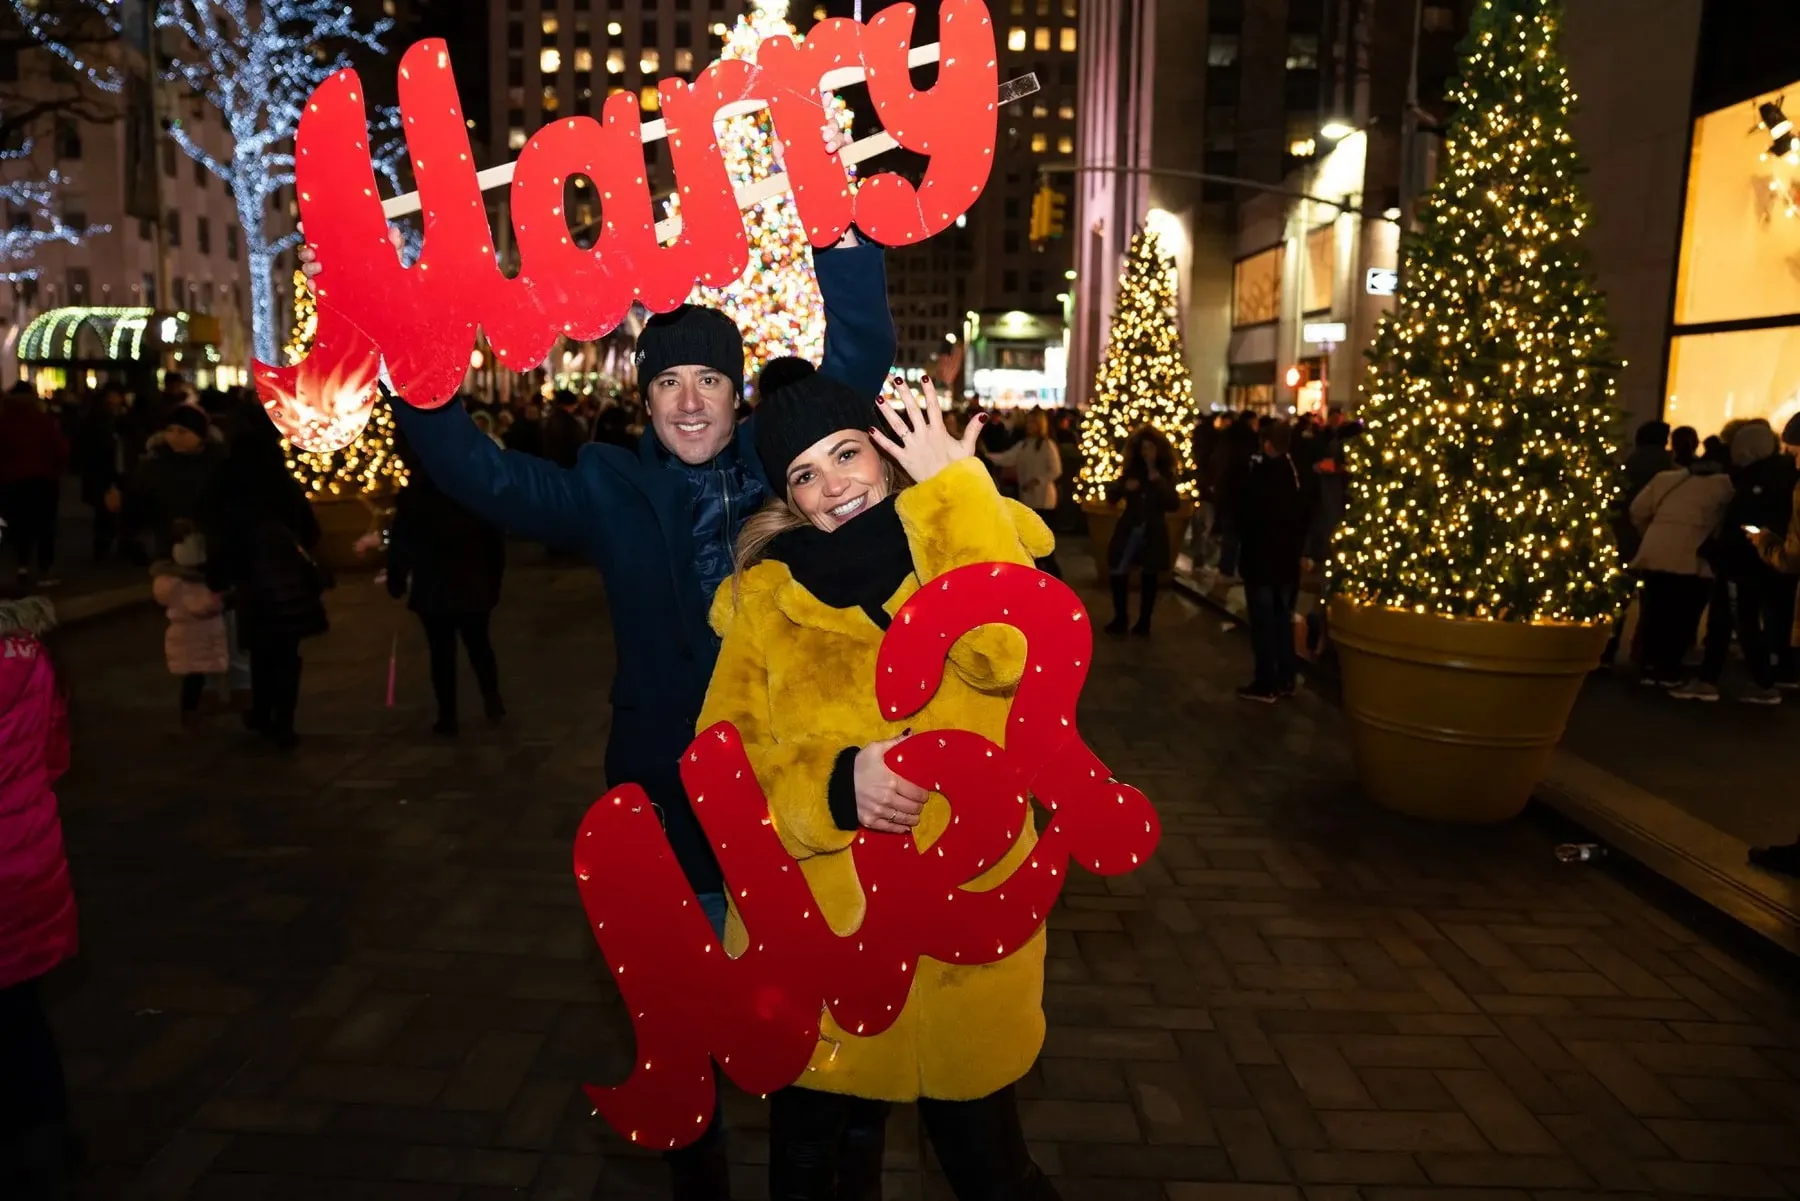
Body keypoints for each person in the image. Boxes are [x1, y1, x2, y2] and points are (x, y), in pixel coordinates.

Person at [298, 137, 896, 1199]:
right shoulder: (606, 485)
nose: (694, 401)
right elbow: (483, 474)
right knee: (688, 1038)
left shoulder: (781, 470)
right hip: (668, 800)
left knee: (823, 1035)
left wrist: (843, 242)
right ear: (645, 396)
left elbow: (856, 367)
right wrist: (415, 375)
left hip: (801, 797)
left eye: (713, 378)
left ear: (738, 391)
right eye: (671, 382)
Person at [703, 373, 1059, 1201]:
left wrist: (952, 493)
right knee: (808, 1172)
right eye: (803, 473)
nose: (833, 485)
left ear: (883, 453)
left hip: (966, 923)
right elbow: (721, 761)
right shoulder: (763, 600)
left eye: (845, 453)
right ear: (786, 497)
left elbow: (1007, 657)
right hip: (821, 941)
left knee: (992, 1169)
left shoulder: (976, 528)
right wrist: (835, 784)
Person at [0, 593, 75, 1201]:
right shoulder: (30, 653)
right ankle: (49, 1140)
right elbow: (54, 756)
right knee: (22, 1013)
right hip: (28, 865)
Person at [200, 407, 329, 751]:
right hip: (286, 579)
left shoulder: (227, 479)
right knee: (287, 651)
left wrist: (218, 575)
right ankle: (283, 721)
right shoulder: (280, 480)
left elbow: (217, 531)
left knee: (260, 647)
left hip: (250, 579)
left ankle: (263, 711)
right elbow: (309, 529)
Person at [384, 453, 507, 737]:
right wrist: (494, 579)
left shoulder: (416, 496)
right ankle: (491, 698)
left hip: (434, 583)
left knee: (442, 651)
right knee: (478, 645)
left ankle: (448, 713)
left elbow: (403, 541)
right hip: (469, 579)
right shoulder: (470, 492)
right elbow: (493, 540)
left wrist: (397, 576)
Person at [1628, 444, 1733, 688]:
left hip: (1656, 551)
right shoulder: (1726, 487)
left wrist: (1652, 533)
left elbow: (1637, 510)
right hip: (1693, 556)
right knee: (1683, 615)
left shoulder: (1665, 479)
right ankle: (1669, 668)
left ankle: (1648, 665)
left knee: (1654, 611)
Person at [1236, 420, 1307, 702]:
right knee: (1280, 621)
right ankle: (1285, 677)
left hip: (1263, 560)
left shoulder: (1264, 474)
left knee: (1264, 623)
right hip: (1285, 562)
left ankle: (1266, 681)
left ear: (1267, 444)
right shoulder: (1293, 473)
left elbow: (1250, 516)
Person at [110, 405, 225, 561]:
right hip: (164, 544)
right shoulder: (153, 464)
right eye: (170, 430)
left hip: (210, 544)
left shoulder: (218, 462)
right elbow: (138, 501)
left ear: (200, 435)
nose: (175, 436)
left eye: (182, 432)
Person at [1104, 427, 1181, 636]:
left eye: (1150, 448)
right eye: (1143, 448)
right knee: (1118, 571)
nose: (1146, 452)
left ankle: (1144, 620)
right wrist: (1124, 488)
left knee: (1150, 575)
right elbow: (1111, 495)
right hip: (1131, 527)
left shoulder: (1165, 473)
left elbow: (1173, 503)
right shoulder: (1132, 472)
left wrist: (1158, 481)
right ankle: (1121, 617)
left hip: (1152, 530)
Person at [152, 525, 230, 729]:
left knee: (193, 678)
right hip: (197, 637)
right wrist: (221, 598)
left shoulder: (169, 583)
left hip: (185, 635)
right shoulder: (190, 585)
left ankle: (191, 711)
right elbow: (202, 607)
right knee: (194, 678)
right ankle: (190, 713)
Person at [0, 382, 69, 590]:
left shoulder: (4, 421)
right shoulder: (42, 421)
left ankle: (22, 567)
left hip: (12, 482)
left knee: (18, 525)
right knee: (44, 526)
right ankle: (45, 569)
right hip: (43, 479)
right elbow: (60, 449)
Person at [980, 408, 1064, 578]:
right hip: (1029, 499)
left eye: (1033, 423)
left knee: (1044, 546)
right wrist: (984, 455)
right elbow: (1007, 458)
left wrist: (1038, 480)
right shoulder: (1024, 444)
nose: (1029, 426)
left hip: (1044, 499)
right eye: (1028, 422)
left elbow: (1055, 470)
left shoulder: (1047, 445)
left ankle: (1056, 579)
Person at [73, 385, 129, 563]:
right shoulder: (100, 422)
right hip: (104, 473)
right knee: (106, 514)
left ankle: (107, 548)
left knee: (108, 514)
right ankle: (104, 549)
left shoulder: (115, 420)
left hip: (107, 472)